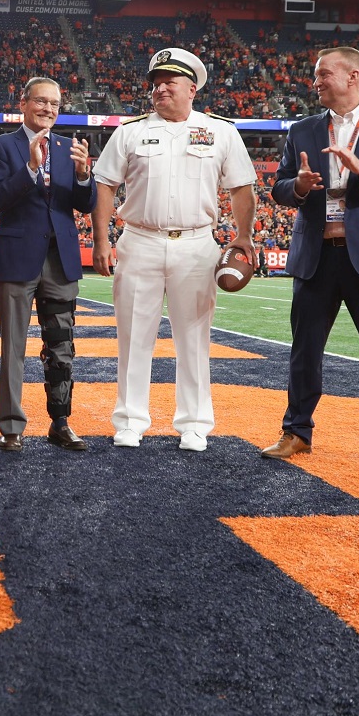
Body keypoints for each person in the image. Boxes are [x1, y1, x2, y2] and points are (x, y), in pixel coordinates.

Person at [259, 46, 359, 475]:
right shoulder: (304, 129)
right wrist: (297, 186)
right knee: (304, 351)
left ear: (353, 77)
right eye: (316, 75)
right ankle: (296, 432)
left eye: (324, 74)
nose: (316, 82)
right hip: (317, 255)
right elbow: (277, 188)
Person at [91, 47, 257, 453]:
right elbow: (105, 185)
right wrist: (100, 240)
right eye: (156, 82)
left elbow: (241, 188)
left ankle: (195, 423)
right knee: (133, 336)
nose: (160, 88)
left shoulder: (221, 131)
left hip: (198, 242)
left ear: (193, 88)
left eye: (170, 81)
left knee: (195, 337)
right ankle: (131, 420)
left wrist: (244, 235)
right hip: (140, 240)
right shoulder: (129, 131)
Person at [0, 77, 96, 452]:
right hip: (18, 259)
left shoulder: (68, 148)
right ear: (24, 104)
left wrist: (84, 176)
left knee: (62, 344)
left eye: (55, 103)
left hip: (60, 261)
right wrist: (30, 169)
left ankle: (60, 421)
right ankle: (12, 426)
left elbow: (84, 203)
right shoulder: (1, 146)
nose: (49, 109)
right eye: (42, 102)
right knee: (12, 346)